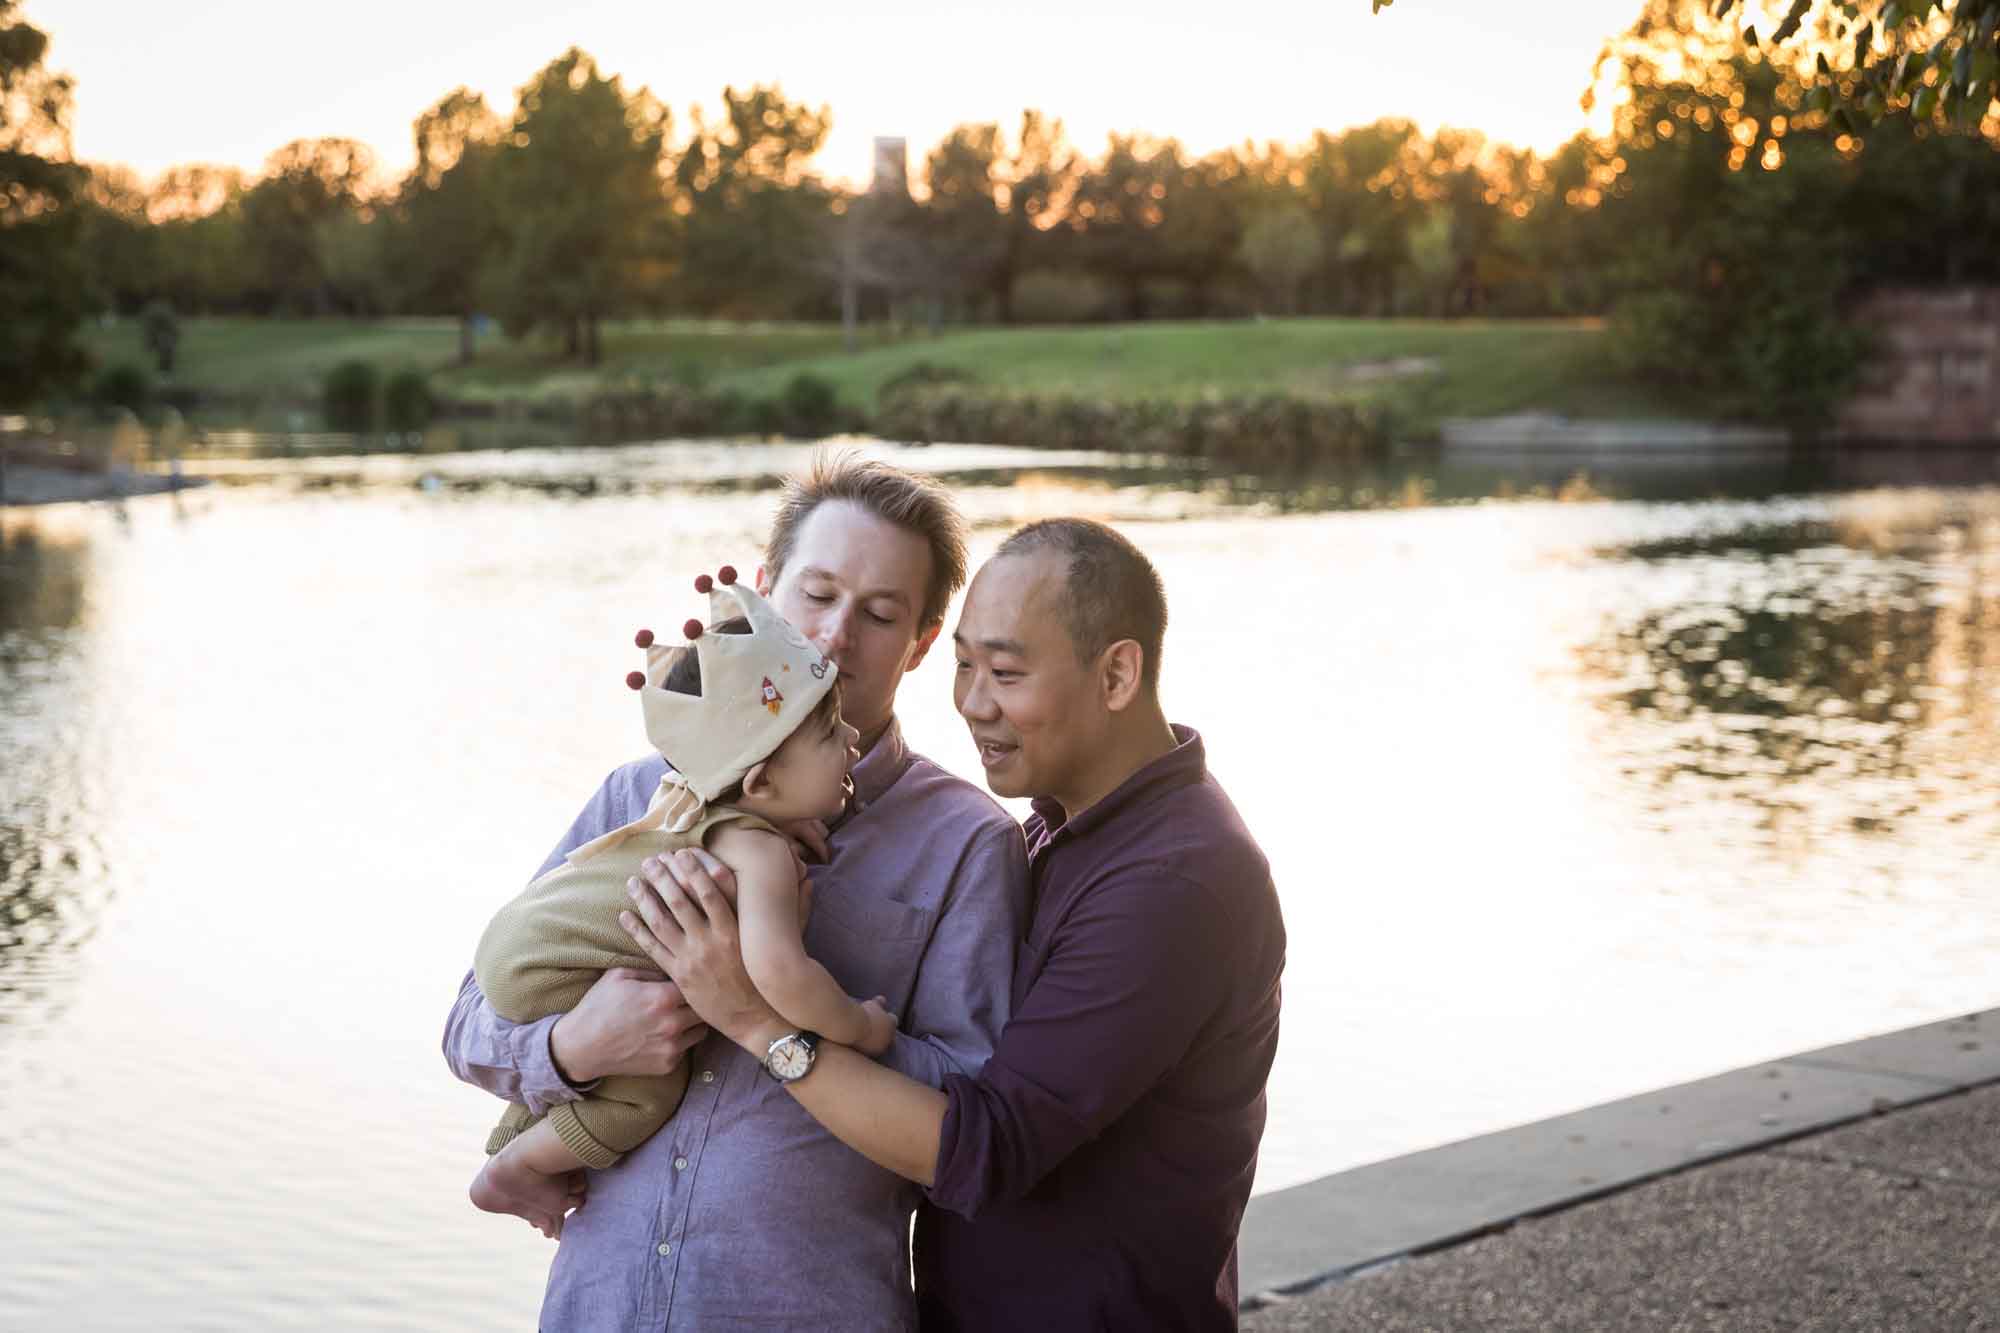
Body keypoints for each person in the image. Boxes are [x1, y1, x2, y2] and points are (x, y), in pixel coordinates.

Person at [621, 517, 1287, 1332]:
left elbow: (981, 1150)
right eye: (965, 663)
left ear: (1117, 673)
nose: (973, 702)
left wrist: (755, 1020)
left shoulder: (1173, 881)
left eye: (1004, 672)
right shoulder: (1066, 827)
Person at [442, 454, 1030, 1331]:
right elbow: (467, 1026)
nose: (834, 638)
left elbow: (964, 1113)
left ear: (918, 641)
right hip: (600, 1309)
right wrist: (574, 1046)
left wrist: (772, 1023)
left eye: (878, 614)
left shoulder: (968, 845)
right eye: (817, 594)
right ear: (762, 594)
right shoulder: (638, 795)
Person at [466, 571, 887, 1240]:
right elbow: (782, 978)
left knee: (625, 1044)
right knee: (648, 1091)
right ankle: (513, 1168)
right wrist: (859, 1026)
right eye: (830, 731)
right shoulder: (762, 854)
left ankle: (521, 1129)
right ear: (760, 782)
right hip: (541, 969)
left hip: (524, 937)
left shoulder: (683, 796)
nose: (853, 742)